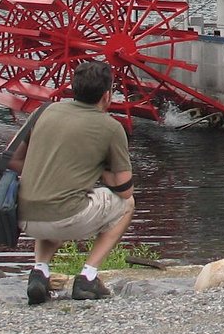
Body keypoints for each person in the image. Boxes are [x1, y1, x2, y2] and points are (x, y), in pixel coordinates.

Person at [14, 61, 136, 305]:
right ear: (107, 95)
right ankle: (88, 277)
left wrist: (51, 170)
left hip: (24, 217)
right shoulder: (111, 127)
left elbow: (13, 160)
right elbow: (125, 189)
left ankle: (40, 272)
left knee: (50, 193)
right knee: (128, 205)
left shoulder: (43, 111)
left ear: (73, 88)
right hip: (65, 217)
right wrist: (100, 172)